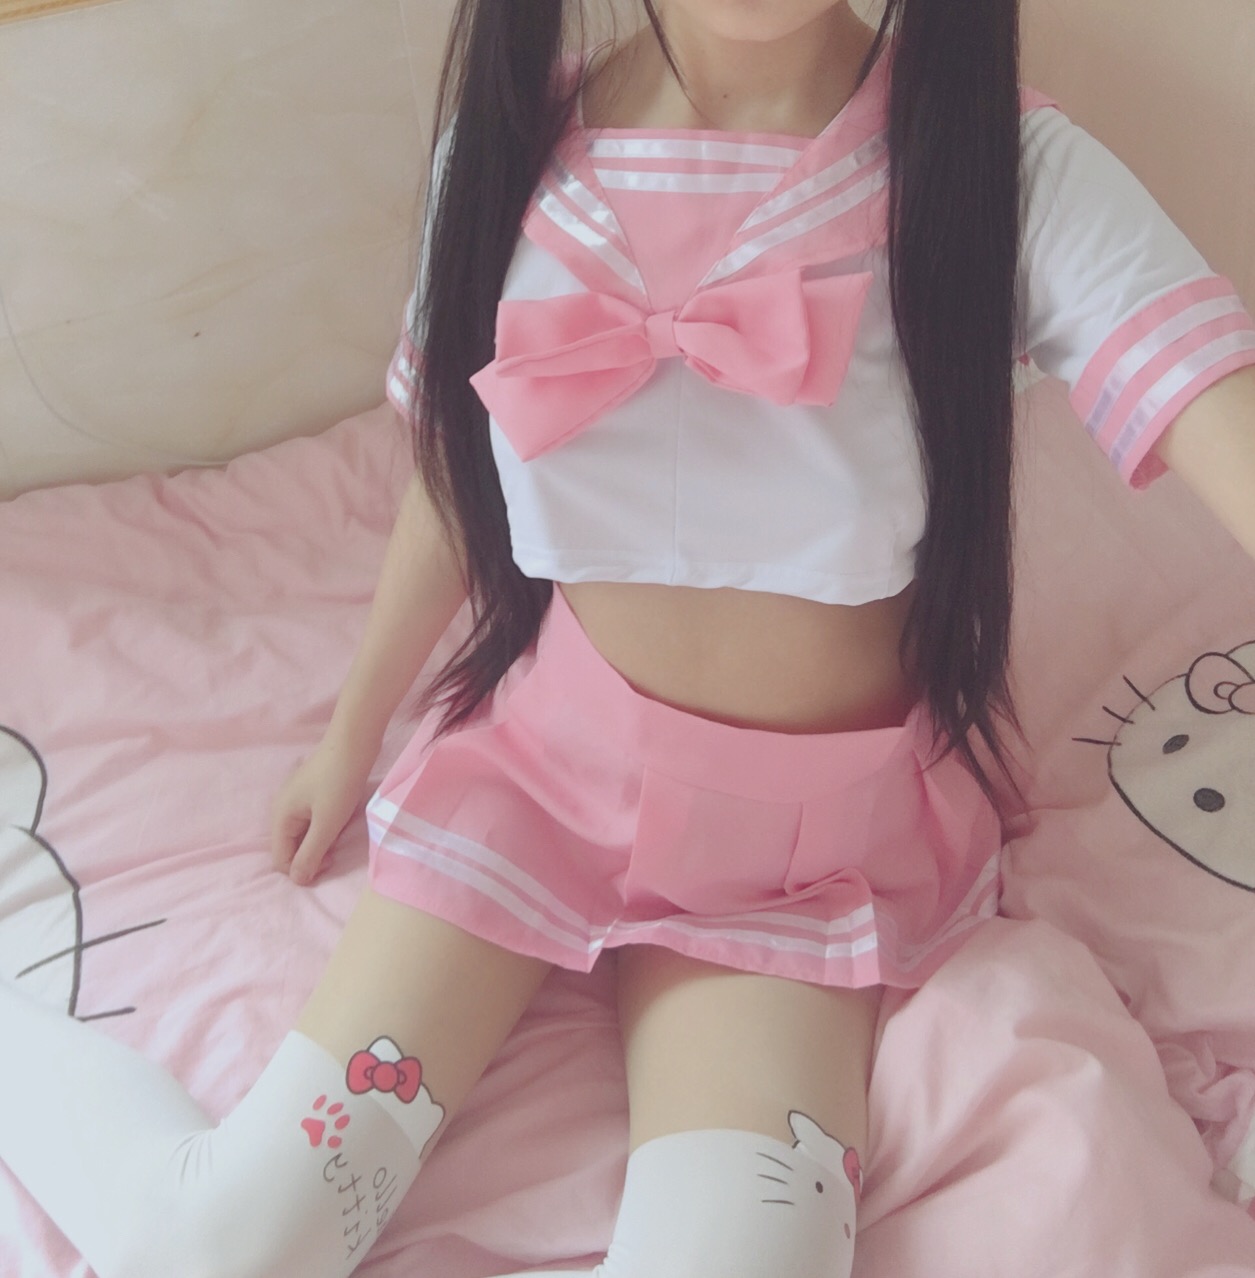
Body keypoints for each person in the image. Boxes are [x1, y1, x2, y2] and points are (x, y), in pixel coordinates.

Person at [2, 1, 1255, 1276]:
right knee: (221, 1247)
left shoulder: (992, 169)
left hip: (803, 868)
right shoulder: (510, 148)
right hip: (545, 784)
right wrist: (351, 732)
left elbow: (1205, 395)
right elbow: (458, 478)